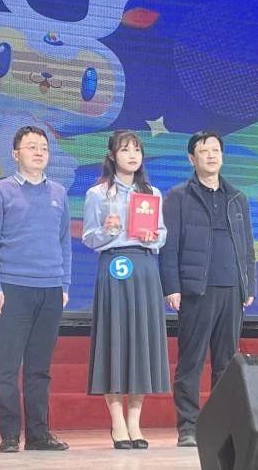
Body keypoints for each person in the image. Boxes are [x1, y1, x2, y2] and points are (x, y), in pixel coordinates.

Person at [160, 130, 256, 447]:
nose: (211, 155)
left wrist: (249, 284)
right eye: (204, 151)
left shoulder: (237, 197)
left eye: (216, 150)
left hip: (232, 288)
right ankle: (188, 426)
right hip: (196, 289)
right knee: (192, 360)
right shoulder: (178, 196)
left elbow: (247, 247)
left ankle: (221, 426)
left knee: (227, 364)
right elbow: (169, 246)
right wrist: (172, 287)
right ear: (192, 158)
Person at [0, 126, 71, 453]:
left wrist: (64, 284)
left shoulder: (58, 192)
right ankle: (8, 435)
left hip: (51, 289)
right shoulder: (0, 191)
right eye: (31, 147)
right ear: (15, 153)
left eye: (43, 147)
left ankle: (38, 435)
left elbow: (64, 243)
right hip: (12, 288)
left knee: (39, 369)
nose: (39, 152)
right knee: (7, 367)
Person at [82, 130, 169, 450]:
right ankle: (117, 421)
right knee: (115, 340)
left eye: (137, 150)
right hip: (114, 265)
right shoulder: (98, 194)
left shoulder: (151, 193)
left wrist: (153, 237)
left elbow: (162, 233)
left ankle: (135, 421)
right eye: (125, 150)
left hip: (144, 266)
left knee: (141, 342)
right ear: (112, 155)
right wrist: (107, 231)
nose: (132, 155)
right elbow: (89, 237)